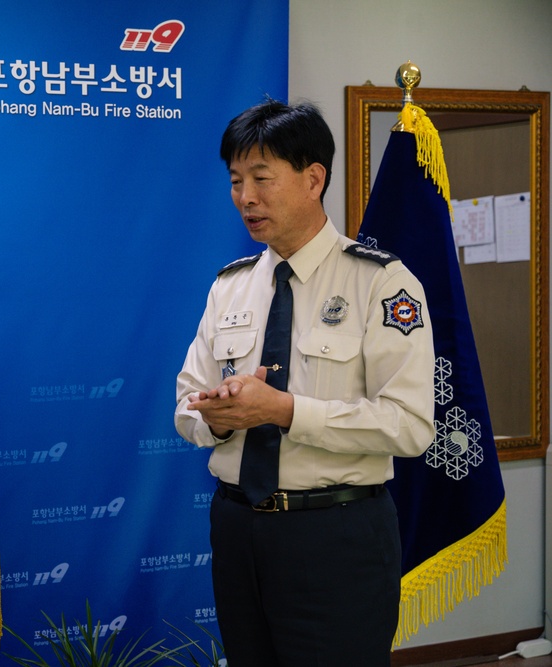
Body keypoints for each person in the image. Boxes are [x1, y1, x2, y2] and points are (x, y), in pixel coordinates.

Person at [174, 100, 435, 666]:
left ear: (313, 178)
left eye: (261, 179)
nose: (246, 197)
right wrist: (215, 421)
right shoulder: (231, 286)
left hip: (336, 535)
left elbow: (410, 426)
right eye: (236, 181)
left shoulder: (381, 283)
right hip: (239, 530)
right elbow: (187, 402)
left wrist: (286, 410)